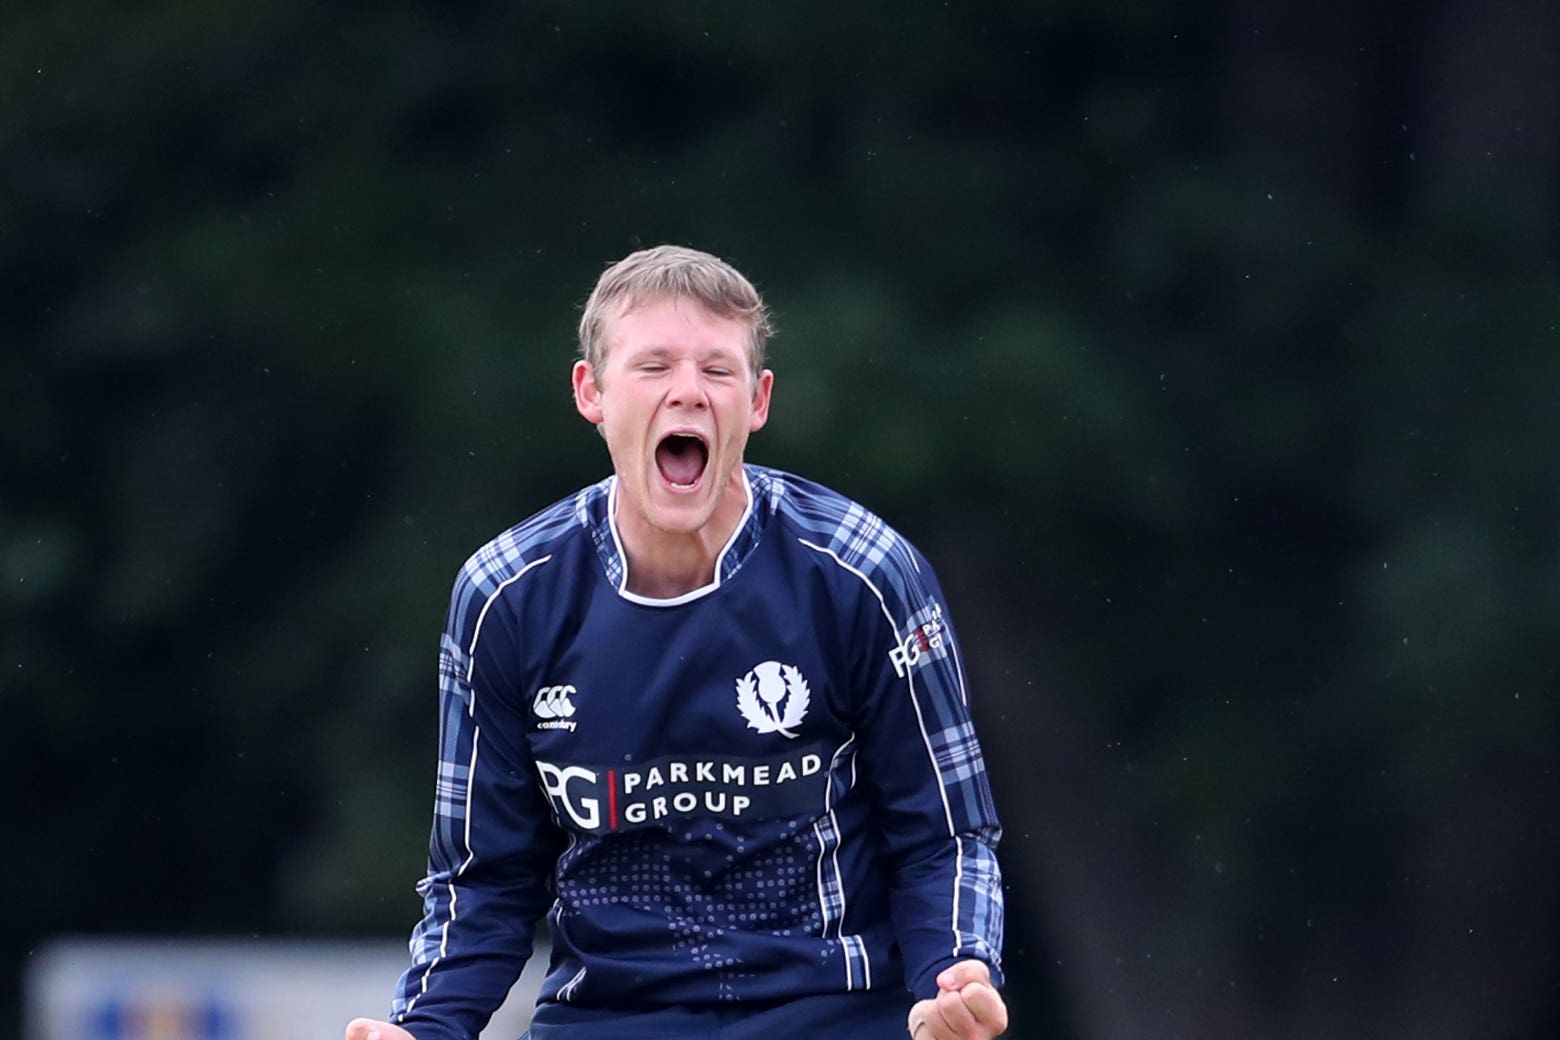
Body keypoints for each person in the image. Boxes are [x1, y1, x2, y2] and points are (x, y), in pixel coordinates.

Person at [345, 245, 1007, 1040]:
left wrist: (958, 974)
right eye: (654, 366)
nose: (688, 392)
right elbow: (483, 876)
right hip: (608, 1017)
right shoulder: (506, 596)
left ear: (758, 401)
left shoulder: (862, 572)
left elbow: (943, 832)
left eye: (717, 371)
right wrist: (426, 1027)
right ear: (591, 392)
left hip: (830, 1014)